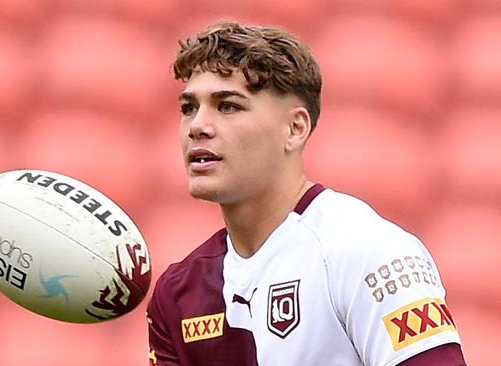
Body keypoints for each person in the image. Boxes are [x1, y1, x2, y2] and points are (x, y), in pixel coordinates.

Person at [146, 21, 466, 366]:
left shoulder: (368, 251)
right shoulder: (178, 292)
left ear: (295, 128)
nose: (197, 127)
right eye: (188, 108)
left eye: (228, 106)